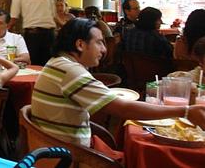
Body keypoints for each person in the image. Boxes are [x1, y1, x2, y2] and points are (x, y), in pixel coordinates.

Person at [31, 18, 205, 147]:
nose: (104, 50)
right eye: (99, 43)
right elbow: (124, 109)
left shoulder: (57, 63)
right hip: (68, 156)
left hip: (53, 146)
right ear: (80, 44)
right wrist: (186, 111)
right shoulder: (70, 71)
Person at [9, 0, 56, 66]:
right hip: (50, 34)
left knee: (32, 63)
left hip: (33, 35)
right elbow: (53, 15)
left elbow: (14, 18)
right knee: (47, 64)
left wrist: (6, 30)